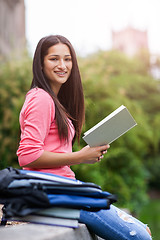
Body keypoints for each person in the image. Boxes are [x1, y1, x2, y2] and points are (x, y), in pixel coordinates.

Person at [17, 35, 152, 240]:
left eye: (67, 59)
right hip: (55, 191)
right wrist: (80, 156)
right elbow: (27, 156)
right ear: (41, 63)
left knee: (144, 229)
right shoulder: (41, 98)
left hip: (66, 187)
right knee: (139, 237)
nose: (62, 65)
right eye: (54, 59)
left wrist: (86, 155)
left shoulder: (53, 100)